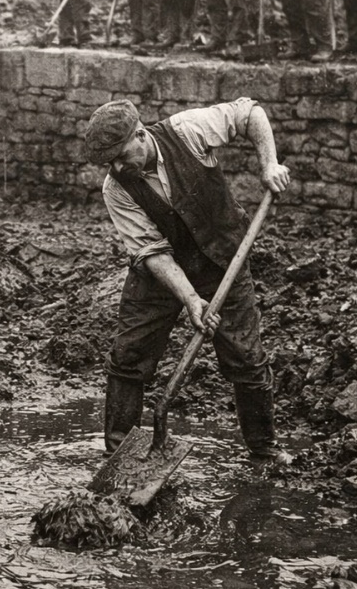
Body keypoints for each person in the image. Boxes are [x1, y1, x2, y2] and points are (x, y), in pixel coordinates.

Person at [81, 97, 292, 463]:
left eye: (120, 156)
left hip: (223, 259)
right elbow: (152, 252)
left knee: (246, 357)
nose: (115, 167)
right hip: (159, 271)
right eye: (107, 162)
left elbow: (249, 113)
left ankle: (264, 449)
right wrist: (192, 299)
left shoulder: (187, 130)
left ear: (141, 136)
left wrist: (269, 163)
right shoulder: (116, 189)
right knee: (129, 356)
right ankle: (119, 455)